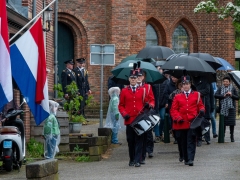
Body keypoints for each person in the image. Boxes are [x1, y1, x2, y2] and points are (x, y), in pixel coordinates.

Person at [118, 69, 154, 167]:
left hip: (139, 119)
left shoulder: (142, 90)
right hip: (129, 119)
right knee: (130, 140)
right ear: (129, 79)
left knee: (139, 139)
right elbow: (121, 105)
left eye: (135, 78)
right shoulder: (124, 91)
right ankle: (132, 158)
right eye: (132, 78)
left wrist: (148, 105)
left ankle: (138, 160)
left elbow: (148, 101)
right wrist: (124, 113)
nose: (133, 80)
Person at [171, 75, 205, 166]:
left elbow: (201, 105)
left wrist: (202, 110)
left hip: (192, 122)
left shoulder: (197, 95)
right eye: (184, 84)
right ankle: (186, 158)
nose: (186, 86)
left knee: (191, 140)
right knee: (183, 141)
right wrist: (178, 117)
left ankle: (190, 159)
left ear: (190, 84)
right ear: (181, 85)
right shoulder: (177, 96)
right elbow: (173, 110)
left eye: (187, 84)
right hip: (181, 122)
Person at [136, 68, 155, 161]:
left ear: (143, 77)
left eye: (140, 76)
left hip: (146, 112)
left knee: (148, 132)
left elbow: (152, 99)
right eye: (137, 76)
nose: (139, 78)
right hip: (136, 114)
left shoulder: (148, 87)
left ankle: (149, 150)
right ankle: (139, 151)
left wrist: (150, 105)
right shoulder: (133, 87)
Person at [215, 76, 239, 142]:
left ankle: (232, 136)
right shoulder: (220, 88)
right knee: (223, 123)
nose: (225, 83)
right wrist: (223, 96)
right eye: (224, 81)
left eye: (227, 82)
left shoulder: (233, 88)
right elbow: (215, 95)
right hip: (223, 108)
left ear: (229, 82)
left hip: (231, 108)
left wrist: (231, 95)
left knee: (232, 123)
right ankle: (223, 135)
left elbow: (237, 97)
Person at [192, 76, 211, 146]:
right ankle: (199, 138)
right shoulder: (192, 80)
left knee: (205, 122)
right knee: (197, 123)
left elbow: (208, 91)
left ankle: (207, 138)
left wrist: (197, 93)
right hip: (195, 105)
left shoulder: (206, 80)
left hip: (204, 103)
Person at [152, 66, 168, 143]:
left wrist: (166, 102)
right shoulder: (152, 81)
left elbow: (166, 93)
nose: (159, 70)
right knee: (155, 119)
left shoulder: (165, 81)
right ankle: (157, 135)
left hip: (162, 103)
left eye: (161, 69)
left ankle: (160, 132)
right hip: (154, 104)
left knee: (162, 118)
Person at [163, 75, 179, 144]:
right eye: (172, 77)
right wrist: (171, 97)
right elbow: (165, 93)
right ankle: (175, 136)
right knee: (173, 121)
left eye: (175, 77)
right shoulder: (168, 85)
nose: (174, 78)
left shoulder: (180, 85)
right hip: (171, 105)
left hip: (179, 105)